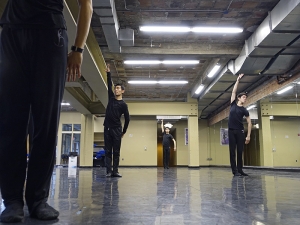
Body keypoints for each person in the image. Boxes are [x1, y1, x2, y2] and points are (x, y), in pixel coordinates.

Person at [0, 0, 93, 223]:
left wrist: (78, 49)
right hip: (13, 31)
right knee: (11, 122)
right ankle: (12, 200)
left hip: (50, 34)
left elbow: (86, 5)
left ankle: (38, 200)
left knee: (46, 122)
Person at [104, 64, 130, 178]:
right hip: (107, 129)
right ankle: (109, 172)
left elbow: (128, 118)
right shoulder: (110, 98)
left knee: (117, 152)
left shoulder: (123, 105)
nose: (116, 89)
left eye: (118, 88)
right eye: (116, 88)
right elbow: (109, 85)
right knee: (108, 151)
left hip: (117, 130)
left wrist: (123, 131)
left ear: (123, 91)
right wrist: (108, 73)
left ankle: (115, 171)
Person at [228, 74, 252, 177]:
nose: (245, 99)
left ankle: (240, 170)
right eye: (243, 97)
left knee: (240, 151)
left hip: (240, 131)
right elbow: (233, 91)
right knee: (232, 151)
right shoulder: (233, 103)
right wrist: (238, 80)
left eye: (246, 98)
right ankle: (235, 171)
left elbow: (249, 122)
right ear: (239, 98)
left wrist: (248, 135)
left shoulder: (244, 110)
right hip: (231, 131)